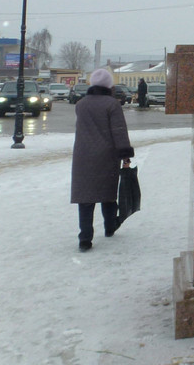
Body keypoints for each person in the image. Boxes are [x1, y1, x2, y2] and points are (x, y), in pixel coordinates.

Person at [71, 68, 134, 251]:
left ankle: (85, 239)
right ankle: (110, 227)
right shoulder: (112, 104)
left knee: (85, 197)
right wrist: (125, 156)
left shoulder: (80, 104)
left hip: (83, 155)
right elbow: (119, 131)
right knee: (108, 193)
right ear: (109, 85)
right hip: (106, 155)